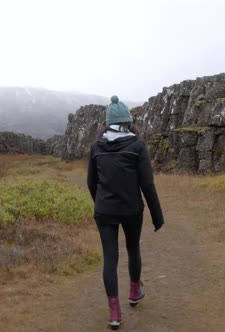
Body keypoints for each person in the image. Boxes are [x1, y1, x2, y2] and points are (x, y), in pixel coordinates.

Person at [87, 95, 164, 329]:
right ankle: (134, 291)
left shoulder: (96, 147)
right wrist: (157, 215)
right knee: (133, 248)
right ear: (129, 123)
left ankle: (114, 312)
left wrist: (101, 203)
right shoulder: (137, 146)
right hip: (132, 210)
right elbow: (147, 184)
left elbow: (92, 183)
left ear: (107, 124)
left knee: (110, 258)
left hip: (105, 212)